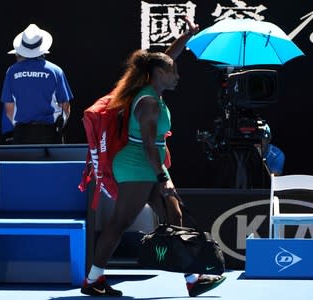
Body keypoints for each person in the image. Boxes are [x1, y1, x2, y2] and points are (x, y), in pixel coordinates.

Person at [80, 17, 226, 298]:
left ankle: (194, 278)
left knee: (174, 214)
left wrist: (186, 36)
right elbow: (148, 145)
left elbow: (166, 57)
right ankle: (93, 280)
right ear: (158, 74)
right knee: (120, 223)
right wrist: (162, 178)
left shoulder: (154, 87)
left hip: (149, 164)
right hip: (138, 164)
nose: (178, 75)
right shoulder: (148, 103)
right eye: (173, 72)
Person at [0, 23, 73, 144]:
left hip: (21, 134)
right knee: (51, 164)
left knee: (23, 164)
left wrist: (20, 126)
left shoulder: (12, 71)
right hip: (50, 134)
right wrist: (59, 127)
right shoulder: (56, 71)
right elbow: (65, 106)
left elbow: (8, 109)